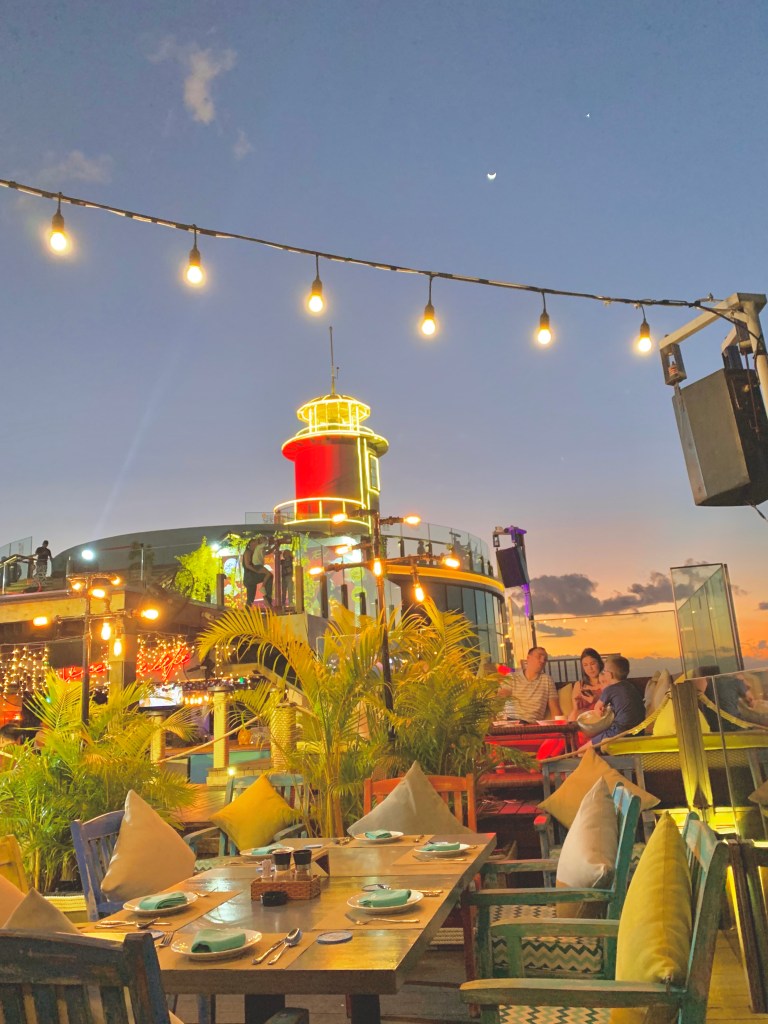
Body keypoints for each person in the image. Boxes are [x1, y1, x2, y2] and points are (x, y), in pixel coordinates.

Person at [538, 648, 604, 759]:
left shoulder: (606, 683)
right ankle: (543, 761)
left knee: (566, 735)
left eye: (593, 663)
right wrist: (577, 708)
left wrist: (596, 700)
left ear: (599, 663)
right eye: (585, 665)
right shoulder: (580, 685)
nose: (590, 668)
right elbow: (575, 712)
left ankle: (545, 761)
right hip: (581, 724)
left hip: (598, 725)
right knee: (559, 734)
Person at [579, 655, 645, 750]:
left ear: (609, 675)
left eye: (604, 672)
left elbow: (597, 710)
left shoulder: (609, 690)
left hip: (618, 732)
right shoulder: (631, 687)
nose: (602, 674)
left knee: (582, 750)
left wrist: (599, 711)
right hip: (639, 731)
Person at [497, 646, 562, 721]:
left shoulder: (547, 680)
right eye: (539, 656)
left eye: (545, 659)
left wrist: (558, 725)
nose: (542, 661)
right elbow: (501, 697)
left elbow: (555, 709)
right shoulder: (512, 676)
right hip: (508, 721)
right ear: (528, 658)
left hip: (530, 723)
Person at [242, 536, 273, 607]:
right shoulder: (248, 552)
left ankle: (266, 596)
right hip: (249, 576)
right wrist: (257, 571)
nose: (255, 545)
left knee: (250, 599)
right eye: (253, 543)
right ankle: (267, 596)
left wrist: (274, 546)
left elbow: (267, 551)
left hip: (252, 576)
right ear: (250, 545)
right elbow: (247, 565)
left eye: (256, 543)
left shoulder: (256, 552)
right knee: (269, 576)